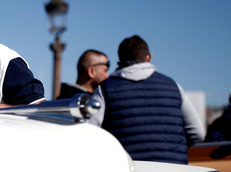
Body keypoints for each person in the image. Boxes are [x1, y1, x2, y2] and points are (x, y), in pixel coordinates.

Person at [87, 35, 205, 164]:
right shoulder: (173, 85)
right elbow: (198, 132)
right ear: (148, 57)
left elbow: (91, 132)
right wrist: (174, 148)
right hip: (174, 167)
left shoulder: (106, 88)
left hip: (129, 170)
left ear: (120, 59)